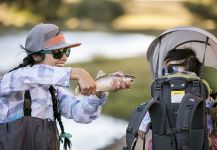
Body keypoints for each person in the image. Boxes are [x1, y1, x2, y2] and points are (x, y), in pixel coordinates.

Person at [0, 23, 131, 150]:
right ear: (36, 55)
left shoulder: (53, 91)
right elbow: (35, 74)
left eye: (66, 51)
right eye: (57, 52)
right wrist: (78, 73)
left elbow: (82, 114)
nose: (64, 57)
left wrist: (99, 91)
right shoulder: (13, 79)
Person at [138, 48, 217, 150]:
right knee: (153, 145)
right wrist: (143, 126)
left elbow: (208, 115)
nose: (167, 73)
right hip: (168, 133)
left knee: (211, 143)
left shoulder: (199, 91)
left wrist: (208, 131)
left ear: (190, 72)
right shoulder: (163, 92)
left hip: (197, 136)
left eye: (170, 69)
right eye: (165, 70)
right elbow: (153, 108)